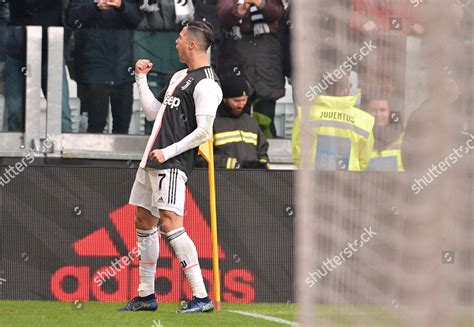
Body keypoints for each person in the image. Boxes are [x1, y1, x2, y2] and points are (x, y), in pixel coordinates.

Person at [120, 21, 222, 313]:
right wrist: (141, 79)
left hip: (172, 161)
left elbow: (205, 131)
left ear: (191, 44)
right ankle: (146, 294)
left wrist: (169, 152)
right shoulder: (181, 75)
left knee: (170, 222)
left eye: (179, 38)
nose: (176, 42)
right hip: (153, 158)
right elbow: (155, 113)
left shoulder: (207, 84)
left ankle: (201, 296)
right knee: (143, 220)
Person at [65, 0, 141, 134]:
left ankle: (119, 154)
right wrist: (95, 7)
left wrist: (121, 5)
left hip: (123, 67)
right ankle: (91, 154)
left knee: (122, 124)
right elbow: (71, 19)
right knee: (96, 123)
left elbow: (138, 20)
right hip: (93, 66)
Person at [216, 0, 285, 138]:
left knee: (265, 117)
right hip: (236, 59)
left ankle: (265, 153)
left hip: (266, 62)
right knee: (237, 115)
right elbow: (222, 14)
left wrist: (260, 3)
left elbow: (277, 12)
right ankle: (240, 153)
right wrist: (240, 9)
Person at [4, 0, 72, 132]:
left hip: (52, 51)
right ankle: (20, 152)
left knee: (61, 115)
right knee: (16, 113)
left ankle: (63, 151)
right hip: (18, 50)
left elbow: (71, 13)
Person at [292, 75, 375, 171]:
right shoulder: (363, 120)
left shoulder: (306, 114)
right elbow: (364, 160)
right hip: (348, 182)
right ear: (347, 88)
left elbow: (298, 152)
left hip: (314, 180)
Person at [133, 0, 186, 135]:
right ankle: (151, 146)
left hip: (178, 57)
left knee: (178, 115)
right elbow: (133, 15)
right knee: (152, 111)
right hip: (150, 51)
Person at [212, 73, 269, 169]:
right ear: (224, 99)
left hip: (251, 180)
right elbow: (202, 157)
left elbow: (262, 151)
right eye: (237, 100)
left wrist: (263, 165)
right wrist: (231, 164)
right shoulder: (212, 122)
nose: (241, 104)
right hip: (224, 180)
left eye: (244, 100)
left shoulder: (251, 122)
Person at [366, 96, 404, 172]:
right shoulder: (359, 136)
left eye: (382, 110)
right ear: (367, 112)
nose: (378, 115)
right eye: (373, 110)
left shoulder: (404, 137)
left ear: (389, 112)